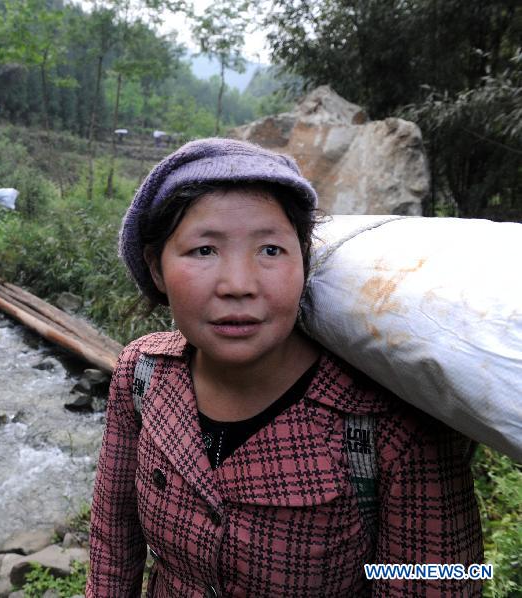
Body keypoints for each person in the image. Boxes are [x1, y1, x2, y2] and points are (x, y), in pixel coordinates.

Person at [86, 138, 483, 597]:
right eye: (204, 250)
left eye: (271, 250)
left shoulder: (387, 424)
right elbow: (113, 536)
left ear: (303, 261)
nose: (238, 285)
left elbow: (438, 580)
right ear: (156, 269)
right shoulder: (143, 374)